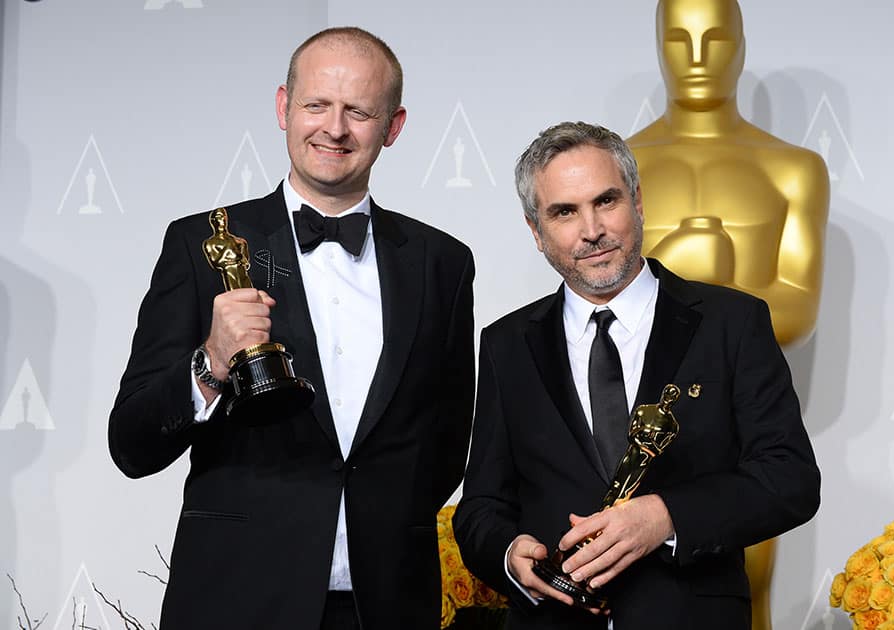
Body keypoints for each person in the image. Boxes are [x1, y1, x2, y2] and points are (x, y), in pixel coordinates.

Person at [109, 27, 475, 630]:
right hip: (235, 598)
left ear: (394, 126)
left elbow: (446, 442)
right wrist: (209, 366)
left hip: (387, 604)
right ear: (284, 107)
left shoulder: (443, 262)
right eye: (316, 105)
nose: (334, 129)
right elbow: (131, 443)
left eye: (358, 110)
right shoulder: (201, 244)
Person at [452, 121, 819, 629]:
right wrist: (509, 554)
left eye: (606, 201)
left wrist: (666, 517)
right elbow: (482, 507)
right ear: (536, 232)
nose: (592, 229)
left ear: (638, 202)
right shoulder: (505, 344)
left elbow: (790, 479)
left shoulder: (732, 323)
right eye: (564, 212)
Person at [629, 0, 829, 348]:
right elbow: (595, 309)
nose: (696, 58)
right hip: (633, 398)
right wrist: (678, 266)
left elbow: (798, 315)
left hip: (748, 397)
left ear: (741, 47)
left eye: (715, 40)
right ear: (659, 48)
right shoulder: (619, 168)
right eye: (679, 40)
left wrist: (684, 286)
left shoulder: (794, 170)